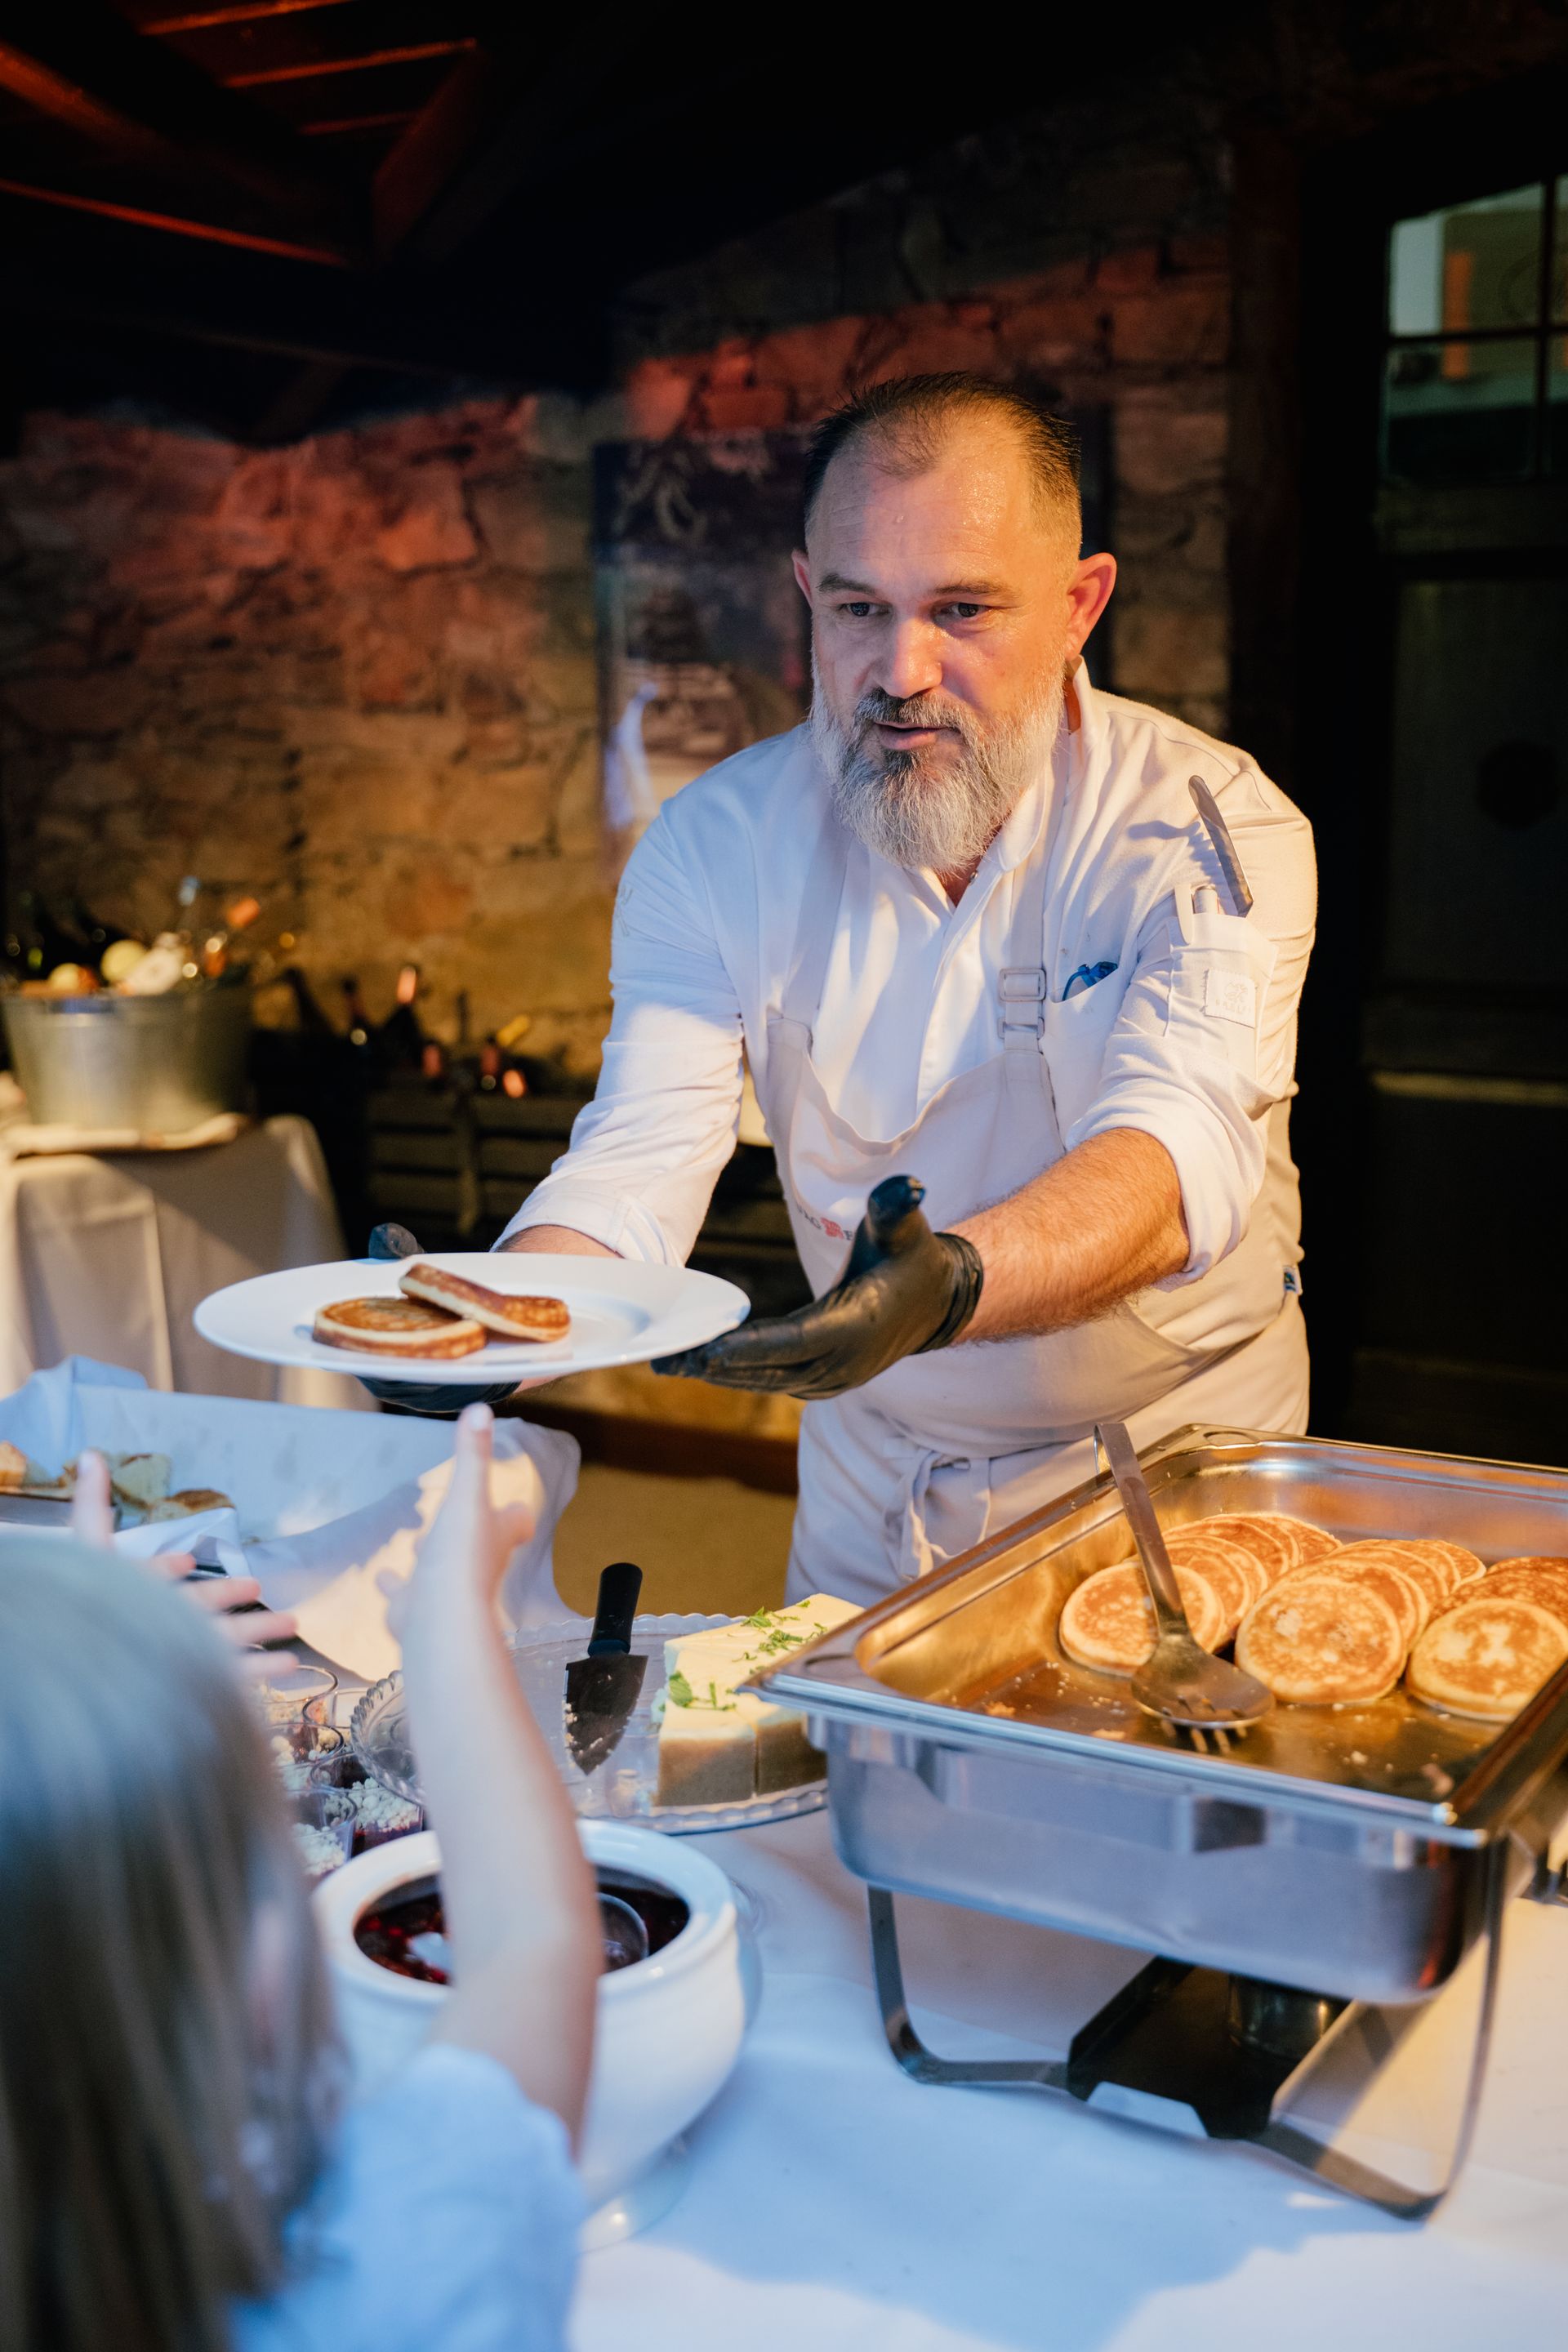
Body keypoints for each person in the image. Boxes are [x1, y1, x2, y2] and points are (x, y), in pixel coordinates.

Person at [496, 372, 1316, 1607]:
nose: (902, 669)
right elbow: (640, 1155)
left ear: (1080, 604)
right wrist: (491, 1324)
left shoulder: (1211, 827)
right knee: (852, 1794)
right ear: (805, 600)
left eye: (964, 609)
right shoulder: (713, 844)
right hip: (874, 1472)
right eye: (859, 607)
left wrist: (951, 1286)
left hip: (1177, 1458)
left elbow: (1175, 1153)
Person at [0, 1405, 596, 2352]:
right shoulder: (406, 2262)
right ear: (256, 1976)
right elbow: (538, 1943)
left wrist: (66, 1661)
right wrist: (447, 1625)